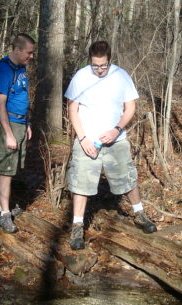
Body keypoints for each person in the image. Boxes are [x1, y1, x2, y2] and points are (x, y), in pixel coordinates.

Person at [64, 40, 157, 250]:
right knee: (81, 181)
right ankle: (77, 226)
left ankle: (140, 213)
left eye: (103, 65)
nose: (99, 70)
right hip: (87, 140)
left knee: (127, 176)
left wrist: (117, 129)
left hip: (117, 139)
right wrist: (83, 138)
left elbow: (130, 106)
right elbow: (72, 109)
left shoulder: (121, 76)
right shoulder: (80, 77)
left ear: (109, 60)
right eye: (95, 65)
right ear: (90, 61)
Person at [0, 33, 35, 233]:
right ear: (17, 50)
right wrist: (8, 133)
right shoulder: (3, 70)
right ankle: (4, 215)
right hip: (5, 124)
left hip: (19, 122)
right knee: (5, 172)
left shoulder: (21, 68)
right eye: (29, 53)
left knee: (8, 170)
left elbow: (21, 95)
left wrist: (26, 123)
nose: (31, 56)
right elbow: (0, 103)